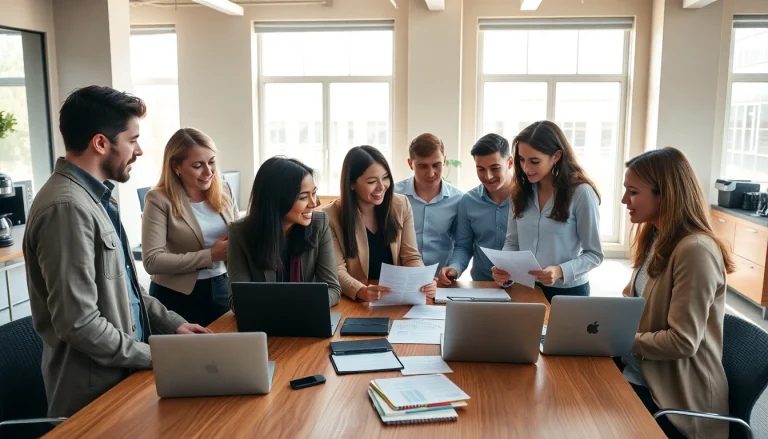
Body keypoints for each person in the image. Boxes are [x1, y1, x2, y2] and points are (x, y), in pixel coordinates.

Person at [23, 86, 209, 418]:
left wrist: (173, 325)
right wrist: (156, 356)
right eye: (132, 140)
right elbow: (79, 322)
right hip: (95, 397)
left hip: (123, 380)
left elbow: (126, 289)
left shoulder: (95, 199)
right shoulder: (67, 208)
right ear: (100, 143)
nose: (138, 150)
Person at [619, 147, 732, 439]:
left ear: (665, 195)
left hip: (673, 398)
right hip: (640, 370)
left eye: (633, 192)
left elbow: (683, 341)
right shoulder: (655, 236)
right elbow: (634, 303)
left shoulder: (696, 251)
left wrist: (617, 339)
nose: (624, 200)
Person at [491, 121, 603, 302]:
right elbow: (512, 243)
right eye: (521, 159)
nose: (526, 168)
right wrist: (505, 269)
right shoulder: (519, 193)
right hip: (526, 288)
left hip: (568, 293)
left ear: (556, 156)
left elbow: (595, 254)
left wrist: (560, 271)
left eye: (534, 161)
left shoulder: (581, 193)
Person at [142, 128, 239, 327]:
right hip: (176, 296)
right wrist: (210, 255)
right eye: (197, 165)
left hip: (222, 286)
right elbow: (152, 261)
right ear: (176, 166)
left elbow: (238, 237)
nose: (208, 172)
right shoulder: (158, 199)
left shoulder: (225, 190)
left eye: (211, 162)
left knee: (226, 345)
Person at [323, 145, 437, 302]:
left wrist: (423, 280)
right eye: (371, 181)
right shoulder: (330, 216)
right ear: (351, 184)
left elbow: (410, 257)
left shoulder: (401, 205)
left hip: (395, 297)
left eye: (385, 178)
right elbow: (337, 269)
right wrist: (361, 291)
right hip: (353, 300)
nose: (382, 187)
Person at [227, 157, 341, 311]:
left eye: (314, 193)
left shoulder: (319, 224)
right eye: (303, 197)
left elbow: (333, 288)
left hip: (306, 316)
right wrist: (289, 308)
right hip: (265, 321)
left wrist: (298, 308)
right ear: (277, 199)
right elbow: (238, 301)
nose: (314, 203)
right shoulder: (240, 232)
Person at [438, 134, 513, 285]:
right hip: (482, 285)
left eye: (495, 168)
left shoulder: (529, 199)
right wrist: (454, 268)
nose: (488, 176)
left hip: (523, 286)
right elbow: (463, 246)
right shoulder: (468, 201)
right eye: (481, 169)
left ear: (510, 162)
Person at [394, 133, 462, 271]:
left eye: (436, 165)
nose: (431, 173)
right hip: (401, 277)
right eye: (423, 166)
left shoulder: (459, 199)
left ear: (444, 160)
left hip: (441, 278)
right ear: (410, 164)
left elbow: (462, 244)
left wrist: (454, 269)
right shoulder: (393, 196)